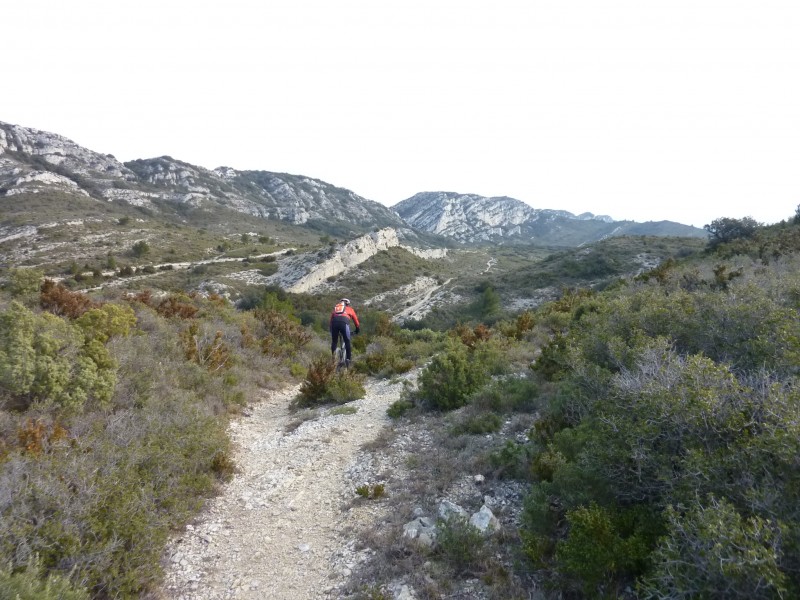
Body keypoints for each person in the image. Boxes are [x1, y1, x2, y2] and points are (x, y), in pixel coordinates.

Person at [330, 298, 360, 366]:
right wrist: (357, 329)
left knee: (334, 341)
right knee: (347, 341)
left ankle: (333, 358)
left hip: (334, 323)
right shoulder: (350, 309)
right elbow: (356, 320)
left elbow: (331, 321)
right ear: (348, 304)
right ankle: (348, 360)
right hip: (344, 323)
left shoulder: (336, 309)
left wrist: (331, 330)